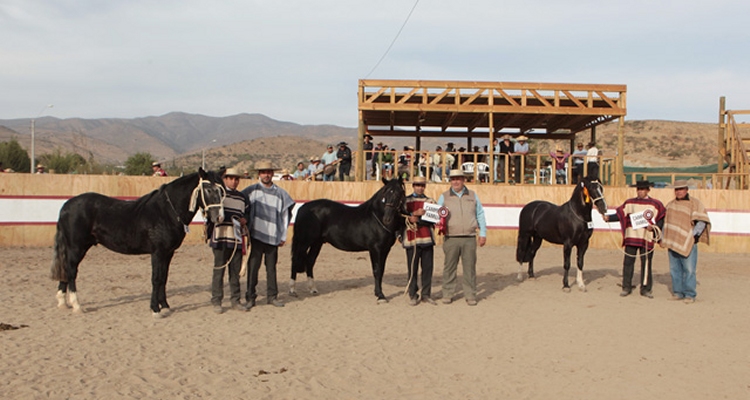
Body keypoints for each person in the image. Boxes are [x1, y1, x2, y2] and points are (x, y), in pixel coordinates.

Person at [242, 161, 295, 308]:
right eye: (263, 172)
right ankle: (250, 297)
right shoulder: (250, 191)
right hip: (256, 236)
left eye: (269, 172)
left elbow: (285, 216)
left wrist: (283, 235)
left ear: (272, 174)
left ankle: (272, 296)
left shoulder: (281, 194)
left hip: (273, 236)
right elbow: (241, 207)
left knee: (271, 268)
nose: (266, 175)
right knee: (253, 267)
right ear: (259, 174)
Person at [603, 180, 666, 298]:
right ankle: (626, 287)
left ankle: (646, 288)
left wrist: (654, 227)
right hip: (631, 236)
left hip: (646, 238)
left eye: (642, 189)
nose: (640, 191)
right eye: (639, 189)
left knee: (646, 263)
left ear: (648, 190)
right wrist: (609, 218)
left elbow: (661, 218)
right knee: (628, 262)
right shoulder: (629, 203)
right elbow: (621, 215)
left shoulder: (655, 204)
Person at [437, 169, 487, 306]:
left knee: (469, 268)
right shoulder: (444, 197)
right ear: (450, 181)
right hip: (451, 237)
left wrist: (483, 233)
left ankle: (470, 294)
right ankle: (447, 293)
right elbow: (437, 212)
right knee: (449, 267)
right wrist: (437, 221)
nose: (456, 181)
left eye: (458, 178)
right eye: (453, 179)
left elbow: (480, 214)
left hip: (469, 237)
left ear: (463, 180)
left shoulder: (472, 195)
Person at [206, 168, 251, 314]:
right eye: (230, 178)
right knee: (219, 269)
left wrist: (245, 220)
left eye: (236, 179)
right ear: (225, 179)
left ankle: (235, 300)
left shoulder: (242, 197)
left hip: (236, 238)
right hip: (220, 236)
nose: (233, 181)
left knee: (235, 271)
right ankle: (217, 300)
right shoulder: (219, 194)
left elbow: (247, 214)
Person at [660, 180, 711, 303]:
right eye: (676, 189)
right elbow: (666, 223)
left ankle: (689, 294)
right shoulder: (670, 205)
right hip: (672, 241)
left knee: (689, 269)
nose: (679, 192)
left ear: (686, 190)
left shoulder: (695, 203)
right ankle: (678, 292)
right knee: (675, 269)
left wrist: (693, 236)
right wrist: (662, 236)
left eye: (681, 189)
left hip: (688, 241)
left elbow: (701, 220)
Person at [401, 176, 437, 306]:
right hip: (411, 240)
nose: (420, 187)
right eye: (417, 185)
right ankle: (413, 294)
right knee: (412, 269)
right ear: (413, 186)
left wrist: (419, 218)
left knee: (427, 268)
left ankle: (426, 294)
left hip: (427, 238)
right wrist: (413, 215)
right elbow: (401, 218)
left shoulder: (430, 201)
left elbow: (434, 220)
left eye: (422, 185)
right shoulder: (405, 201)